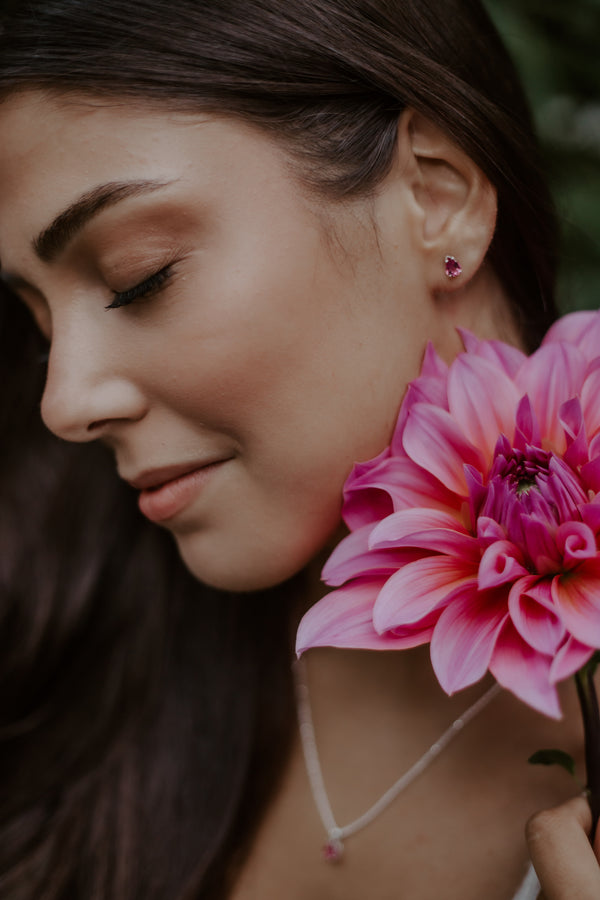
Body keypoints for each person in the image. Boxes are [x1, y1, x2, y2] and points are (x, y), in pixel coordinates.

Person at [0, 0, 598, 897]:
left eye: (138, 277)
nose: (65, 403)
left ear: (435, 194)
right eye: (38, 323)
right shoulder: (49, 615)